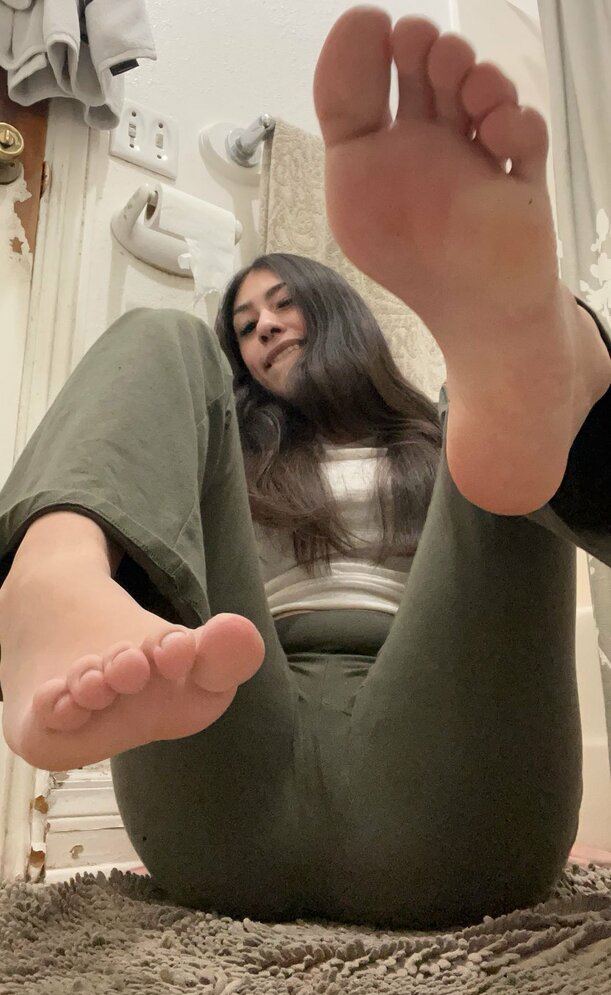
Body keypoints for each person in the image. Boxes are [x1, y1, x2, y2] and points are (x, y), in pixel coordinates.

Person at [0, 7, 610, 930]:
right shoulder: (224, 448)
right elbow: (193, 395)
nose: (263, 330)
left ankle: (560, 369)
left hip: (454, 793)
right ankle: (51, 579)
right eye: (246, 325)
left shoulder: (446, 442)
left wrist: (496, 414)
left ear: (343, 314)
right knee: (164, 334)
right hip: (225, 781)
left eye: (286, 305)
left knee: (485, 419)